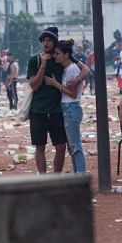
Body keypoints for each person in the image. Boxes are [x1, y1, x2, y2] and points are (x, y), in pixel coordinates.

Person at [27, 26, 89, 174]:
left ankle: (56, 179)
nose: (46, 44)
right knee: (40, 147)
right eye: (43, 40)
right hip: (38, 110)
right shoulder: (34, 60)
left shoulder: (60, 56)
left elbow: (85, 70)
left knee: (61, 147)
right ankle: (43, 178)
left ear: (55, 42)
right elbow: (34, 86)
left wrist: (77, 80)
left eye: (49, 40)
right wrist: (43, 65)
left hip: (58, 110)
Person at [44, 39, 87, 174]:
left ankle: (80, 175)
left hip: (71, 108)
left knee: (75, 146)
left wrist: (55, 84)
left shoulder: (72, 69)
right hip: (68, 109)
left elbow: (73, 94)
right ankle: (78, 174)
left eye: (57, 53)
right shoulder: (68, 69)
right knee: (72, 146)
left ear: (66, 55)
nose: (55, 56)